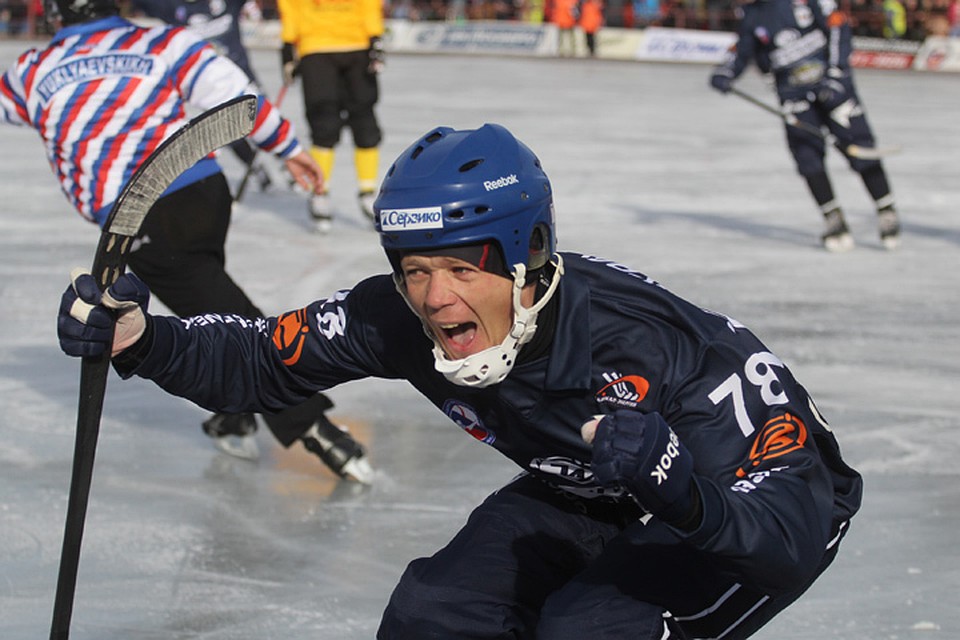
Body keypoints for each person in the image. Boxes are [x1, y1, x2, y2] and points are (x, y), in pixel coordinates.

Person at [58, 123, 863, 638]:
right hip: (592, 485)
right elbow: (262, 361)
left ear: (529, 253)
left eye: (459, 267)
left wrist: (681, 490)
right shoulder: (401, 316)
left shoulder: (663, 352)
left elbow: (787, 538)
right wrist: (140, 335)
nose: (435, 298)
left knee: (588, 631)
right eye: (413, 269)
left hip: (735, 507)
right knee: (435, 613)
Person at [1, 0, 373, 483]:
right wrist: (287, 148)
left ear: (55, 15)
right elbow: (236, 96)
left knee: (224, 310)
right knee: (208, 304)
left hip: (136, 213)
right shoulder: (160, 41)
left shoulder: (32, 69)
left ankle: (311, 425)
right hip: (202, 193)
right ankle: (235, 412)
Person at [709, 0, 901, 252]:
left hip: (832, 88)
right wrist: (726, 71)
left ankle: (885, 210)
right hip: (793, 96)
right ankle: (833, 219)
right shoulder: (752, 15)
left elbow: (837, 27)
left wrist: (836, 75)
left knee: (860, 149)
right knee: (807, 156)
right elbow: (742, 49)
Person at [130, 0, 273, 199]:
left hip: (243, 77)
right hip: (212, 84)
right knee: (231, 130)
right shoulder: (174, 8)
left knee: (268, 119)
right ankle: (254, 165)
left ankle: (287, 165)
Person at [277, 0, 385, 232]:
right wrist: (288, 45)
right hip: (316, 47)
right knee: (324, 124)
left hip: (357, 43)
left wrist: (375, 35)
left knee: (365, 121)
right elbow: (291, 7)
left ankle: (368, 191)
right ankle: (320, 191)